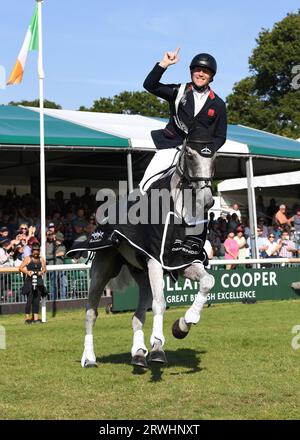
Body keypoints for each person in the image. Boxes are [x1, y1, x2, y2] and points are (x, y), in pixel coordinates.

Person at [140, 49, 227, 193]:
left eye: (205, 72)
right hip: (170, 147)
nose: (200, 74)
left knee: (203, 193)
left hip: (197, 156)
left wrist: (205, 151)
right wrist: (164, 64)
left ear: (211, 76)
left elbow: (220, 136)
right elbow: (150, 85)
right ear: (192, 72)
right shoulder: (178, 91)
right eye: (198, 70)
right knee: (144, 187)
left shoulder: (218, 104)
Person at [19, 243, 47, 324]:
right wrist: (27, 272)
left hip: (38, 281)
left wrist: (41, 272)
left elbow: (44, 268)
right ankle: (27, 319)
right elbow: (20, 268)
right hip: (29, 281)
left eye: (37, 251)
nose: (36, 253)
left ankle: (36, 318)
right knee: (29, 300)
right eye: (35, 251)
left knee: (37, 299)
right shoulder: (28, 258)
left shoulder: (41, 259)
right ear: (32, 251)